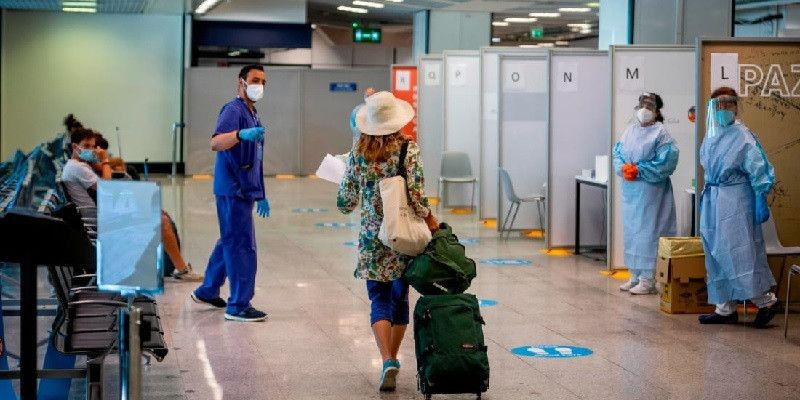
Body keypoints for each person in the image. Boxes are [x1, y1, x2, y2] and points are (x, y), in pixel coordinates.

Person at [337, 91, 438, 392]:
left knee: (378, 300)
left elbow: (345, 201)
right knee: (400, 298)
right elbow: (418, 197)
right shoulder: (409, 149)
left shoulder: (358, 153)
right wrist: (430, 221)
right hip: (402, 236)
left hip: (372, 238)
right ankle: (393, 357)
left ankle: (386, 360)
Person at [62, 128, 202, 281]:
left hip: (98, 216)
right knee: (161, 220)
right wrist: (105, 160)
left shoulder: (77, 165)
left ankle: (173, 267)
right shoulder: (78, 168)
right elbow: (108, 187)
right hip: (98, 222)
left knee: (157, 213)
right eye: (87, 146)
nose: (92, 150)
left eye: (93, 146)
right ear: (75, 147)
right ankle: (181, 270)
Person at [191, 64, 270, 322]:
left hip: (244, 189)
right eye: (255, 80)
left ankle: (208, 289)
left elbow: (255, 157)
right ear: (241, 83)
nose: (260, 85)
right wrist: (239, 134)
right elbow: (216, 142)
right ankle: (238, 305)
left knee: (229, 239)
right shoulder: (233, 110)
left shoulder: (253, 113)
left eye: (263, 81)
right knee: (241, 245)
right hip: (232, 188)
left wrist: (260, 193)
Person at [698, 86, 778, 327]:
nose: (723, 109)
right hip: (714, 198)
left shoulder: (743, 136)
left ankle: (766, 301)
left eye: (727, 104)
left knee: (739, 252)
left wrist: (760, 197)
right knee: (714, 253)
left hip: (736, 200)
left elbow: (759, 169)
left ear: (736, 106)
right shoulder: (711, 135)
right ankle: (725, 308)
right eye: (717, 105)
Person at [613, 92, 679, 295]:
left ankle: (648, 279)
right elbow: (618, 153)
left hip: (652, 192)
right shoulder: (630, 131)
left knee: (649, 233)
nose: (644, 109)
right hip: (631, 192)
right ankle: (634, 275)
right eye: (642, 104)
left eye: (649, 106)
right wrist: (623, 168)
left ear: (657, 111)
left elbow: (667, 162)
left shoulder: (661, 134)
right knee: (633, 233)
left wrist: (640, 170)